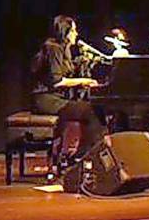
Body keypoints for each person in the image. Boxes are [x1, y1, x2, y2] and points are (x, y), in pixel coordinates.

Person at [31, 15, 107, 159]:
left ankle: (84, 153)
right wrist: (84, 80)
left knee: (94, 110)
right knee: (90, 111)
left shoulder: (63, 49)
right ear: (64, 32)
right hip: (46, 100)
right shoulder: (53, 48)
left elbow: (67, 71)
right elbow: (57, 81)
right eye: (73, 30)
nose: (76, 34)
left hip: (56, 99)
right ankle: (86, 155)